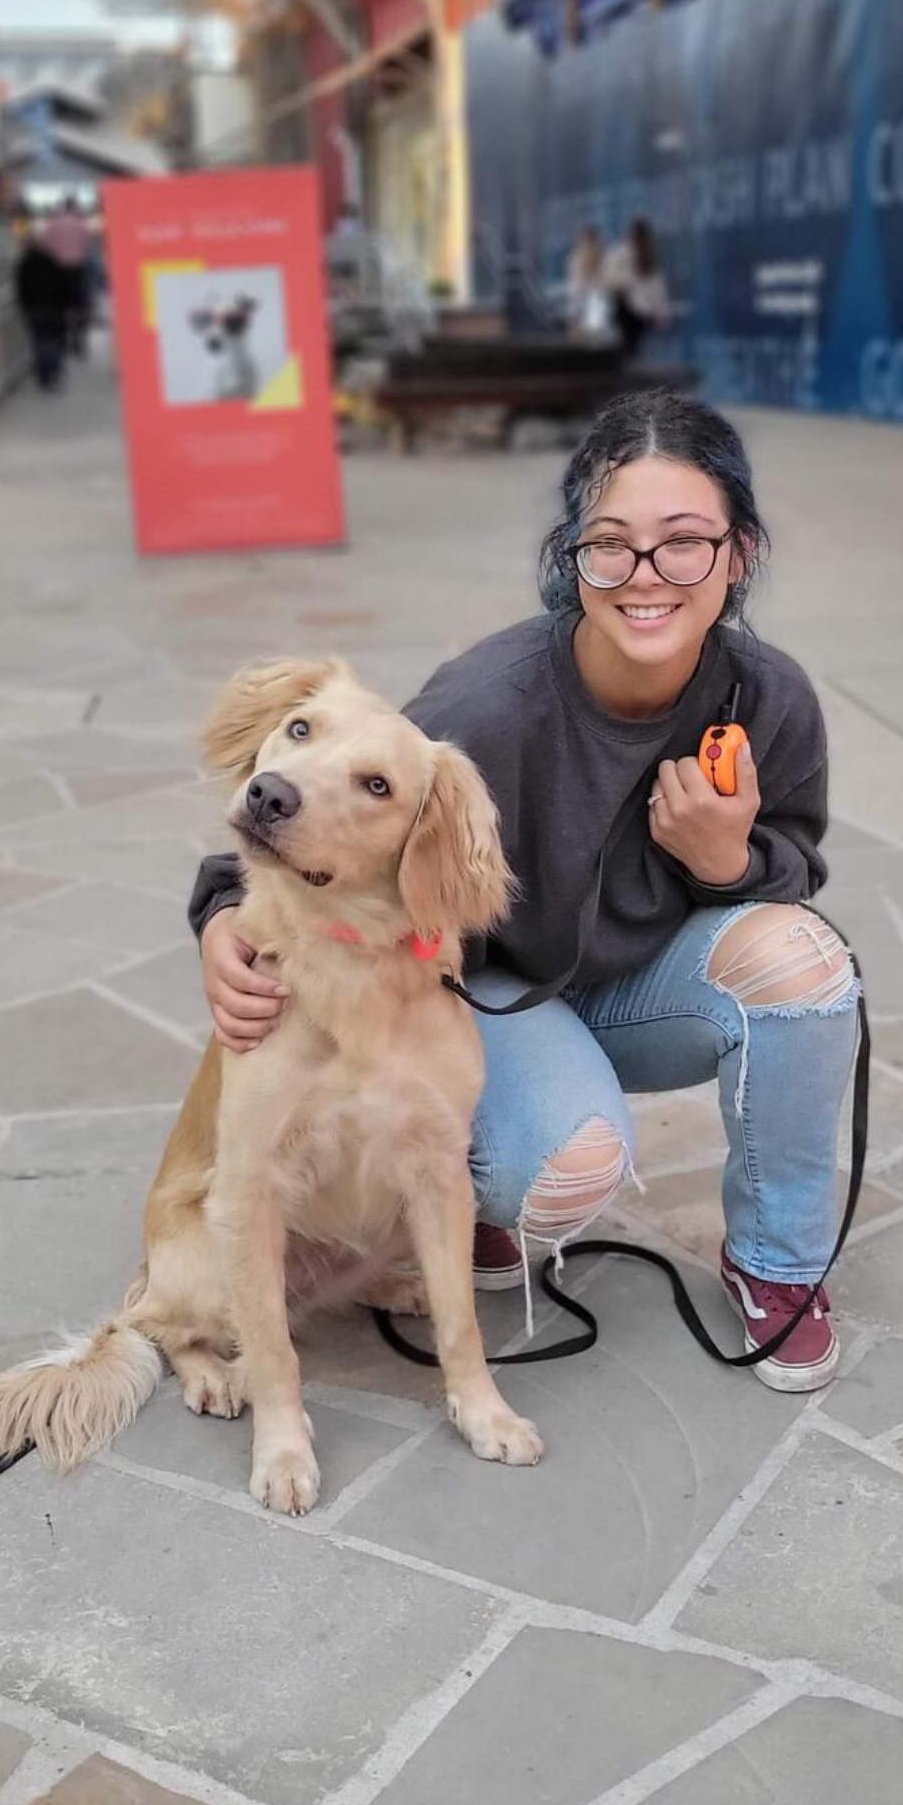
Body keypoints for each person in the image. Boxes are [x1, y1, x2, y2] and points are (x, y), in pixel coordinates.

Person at [191, 391, 858, 1390]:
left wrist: (724, 860)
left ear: (739, 554)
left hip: (643, 995)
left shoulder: (769, 697)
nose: (646, 577)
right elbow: (327, 807)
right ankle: (488, 1195)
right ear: (571, 555)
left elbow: (794, 863)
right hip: (493, 996)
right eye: (610, 544)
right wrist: (218, 918)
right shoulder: (485, 705)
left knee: (807, 963)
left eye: (684, 543)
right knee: (561, 1171)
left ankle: (778, 1264)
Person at [603, 215, 669, 357]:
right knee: (632, 346)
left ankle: (627, 370)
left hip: (627, 307)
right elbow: (657, 286)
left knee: (628, 346)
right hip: (636, 307)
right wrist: (660, 307)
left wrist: (661, 307)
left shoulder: (621, 253)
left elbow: (609, 279)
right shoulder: (641, 254)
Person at [15, 226, 68, 391]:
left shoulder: (23, 265)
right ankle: (53, 370)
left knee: (39, 341)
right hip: (52, 307)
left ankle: (44, 374)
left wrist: (24, 306)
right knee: (54, 340)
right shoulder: (50, 261)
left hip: (34, 309)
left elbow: (21, 290)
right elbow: (61, 284)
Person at [41, 195, 92, 355]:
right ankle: (79, 339)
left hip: (58, 271)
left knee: (60, 306)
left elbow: (47, 246)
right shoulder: (80, 223)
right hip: (77, 269)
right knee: (80, 305)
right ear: (75, 206)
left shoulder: (53, 224)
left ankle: (63, 339)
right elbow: (87, 244)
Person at [565, 224, 608, 336]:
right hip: (583, 296)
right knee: (583, 331)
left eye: (582, 238)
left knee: (590, 331)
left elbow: (599, 279)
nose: (579, 240)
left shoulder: (595, 255)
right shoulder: (577, 255)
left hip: (590, 297)